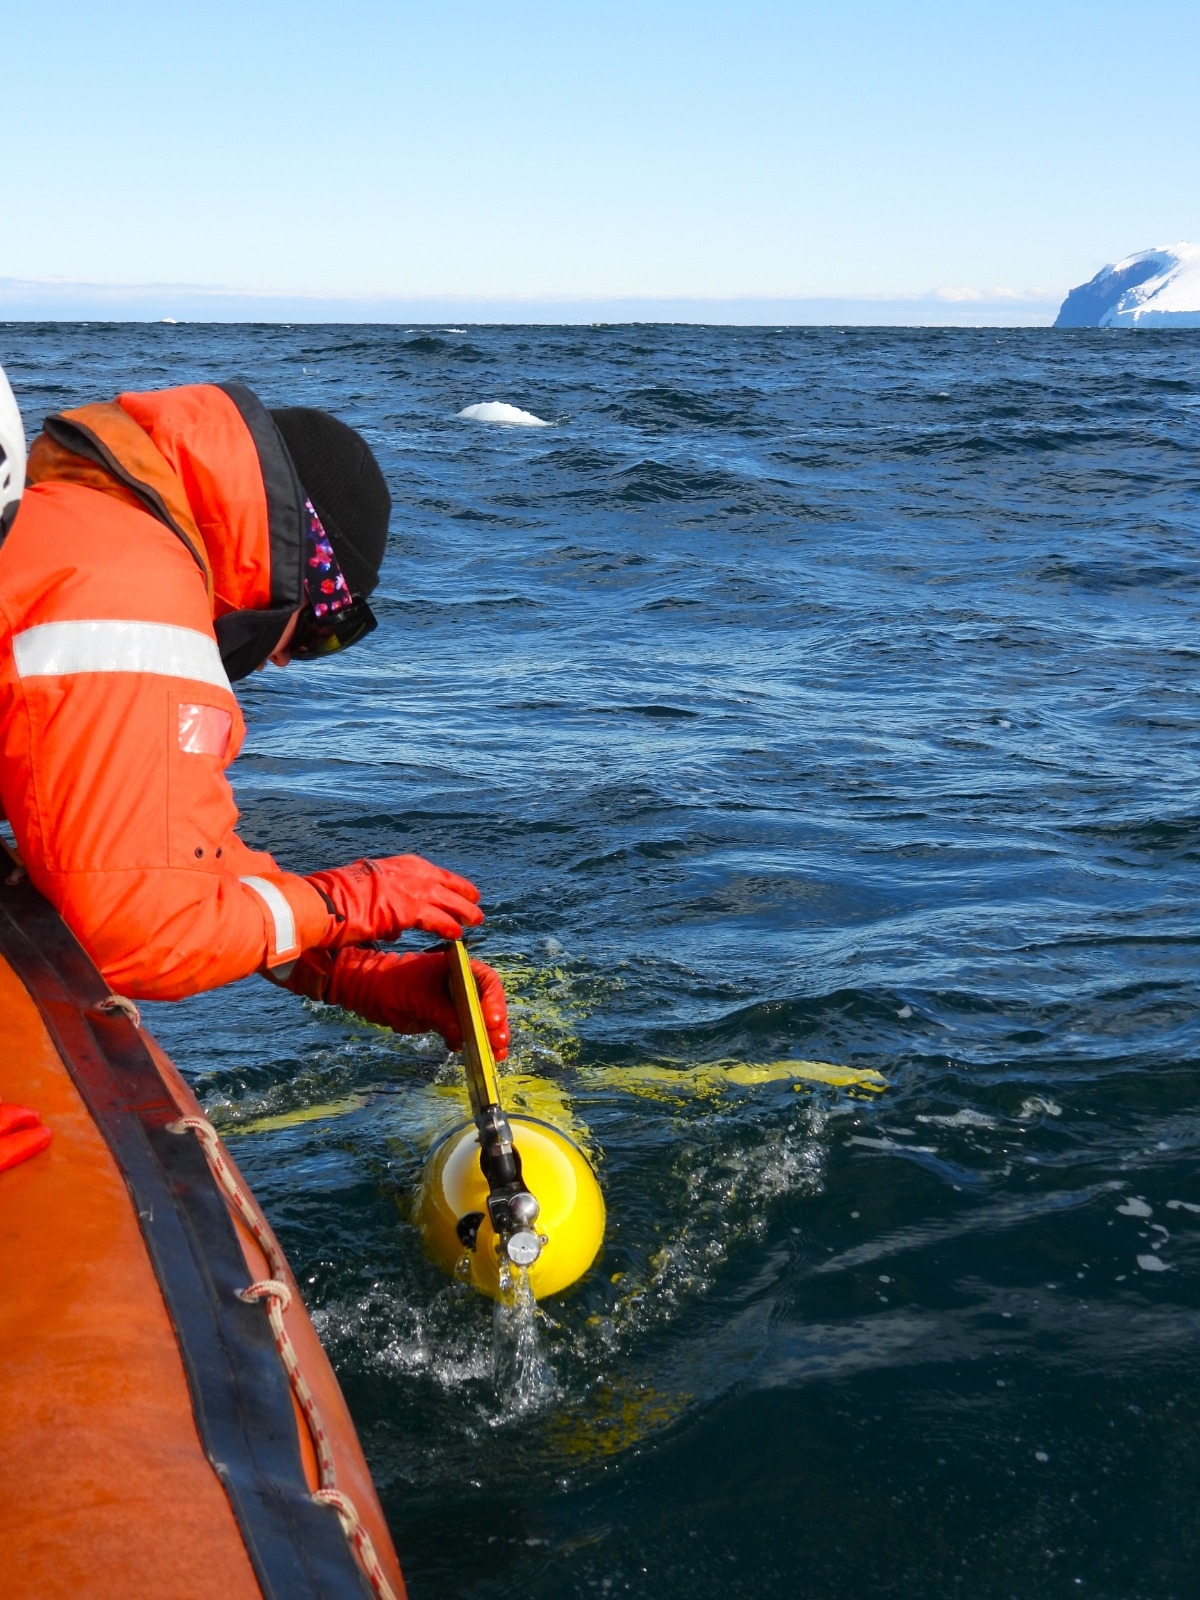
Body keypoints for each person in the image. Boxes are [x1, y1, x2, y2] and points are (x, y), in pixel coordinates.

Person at [0, 376, 509, 1061]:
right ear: (306, 568)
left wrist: (344, 969)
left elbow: (174, 859)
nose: (285, 662)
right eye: (325, 628)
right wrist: (343, 902)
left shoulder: (90, 522)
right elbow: (138, 933)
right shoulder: (131, 598)